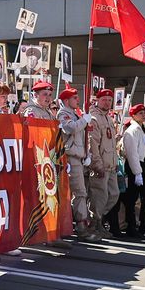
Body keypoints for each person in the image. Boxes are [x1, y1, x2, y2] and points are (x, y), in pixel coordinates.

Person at [57, 87, 97, 241]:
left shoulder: (75, 114)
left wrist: (86, 154)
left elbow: (81, 137)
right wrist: (83, 120)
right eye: (74, 98)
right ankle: (80, 225)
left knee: (80, 192)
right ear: (66, 101)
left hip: (77, 157)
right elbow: (70, 128)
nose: (77, 100)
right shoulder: (64, 114)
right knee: (79, 192)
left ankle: (78, 223)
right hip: (70, 157)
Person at [85, 89, 120, 240]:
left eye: (109, 100)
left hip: (111, 165)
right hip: (101, 166)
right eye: (104, 99)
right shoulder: (94, 118)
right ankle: (95, 224)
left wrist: (116, 160)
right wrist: (97, 164)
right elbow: (93, 144)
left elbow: (112, 144)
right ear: (98, 101)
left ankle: (97, 219)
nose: (107, 102)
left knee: (113, 194)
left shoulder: (108, 119)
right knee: (99, 196)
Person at [118, 104, 145, 238]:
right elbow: (132, 153)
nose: (143, 115)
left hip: (143, 165)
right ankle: (131, 227)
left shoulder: (143, 129)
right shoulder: (132, 130)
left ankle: (143, 226)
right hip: (135, 166)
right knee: (131, 199)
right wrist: (137, 173)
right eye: (140, 113)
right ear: (133, 115)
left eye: (144, 112)